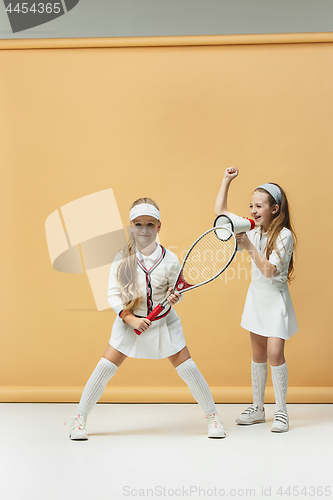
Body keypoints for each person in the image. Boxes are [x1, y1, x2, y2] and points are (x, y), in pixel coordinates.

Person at [68, 197, 225, 440]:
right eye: (138, 224)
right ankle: (79, 419)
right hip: (129, 323)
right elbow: (112, 294)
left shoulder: (170, 259)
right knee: (104, 369)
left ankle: (213, 417)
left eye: (150, 224)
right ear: (131, 226)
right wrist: (129, 318)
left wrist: (174, 298)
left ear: (159, 226)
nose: (144, 230)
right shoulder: (121, 257)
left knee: (189, 369)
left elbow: (176, 291)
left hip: (164, 323)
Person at [214, 168, 298, 432]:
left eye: (258, 205)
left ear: (274, 209)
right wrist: (226, 180)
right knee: (258, 354)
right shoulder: (253, 230)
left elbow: (270, 271)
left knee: (275, 353)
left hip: (275, 300)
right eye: (251, 205)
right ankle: (258, 408)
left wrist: (248, 247)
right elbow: (221, 214)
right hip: (256, 299)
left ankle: (281, 412)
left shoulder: (283, 236)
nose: (252, 210)